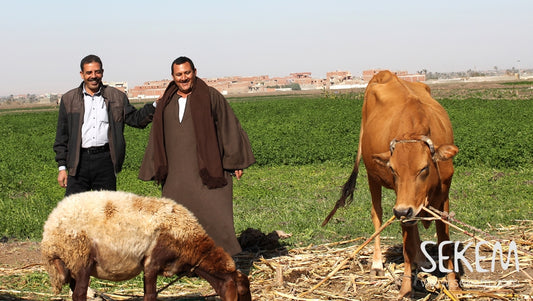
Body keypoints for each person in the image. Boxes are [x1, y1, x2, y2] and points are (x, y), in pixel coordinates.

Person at [139, 56, 255, 256]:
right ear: (173, 76)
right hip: (176, 173)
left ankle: (220, 259)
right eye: (179, 74)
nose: (183, 78)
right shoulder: (166, 101)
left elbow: (229, 126)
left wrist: (235, 161)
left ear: (194, 72)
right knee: (177, 218)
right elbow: (156, 137)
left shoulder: (210, 96)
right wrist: (154, 166)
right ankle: (182, 261)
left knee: (215, 216)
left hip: (207, 170)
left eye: (187, 73)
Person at [54, 54, 156, 196]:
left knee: (106, 211)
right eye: (89, 72)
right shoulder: (69, 99)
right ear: (82, 74)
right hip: (78, 162)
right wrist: (62, 168)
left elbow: (135, 119)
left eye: (97, 72)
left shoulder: (117, 97)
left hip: (105, 161)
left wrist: (156, 106)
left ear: (102, 72)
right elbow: (62, 136)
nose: (93, 76)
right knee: (75, 210)